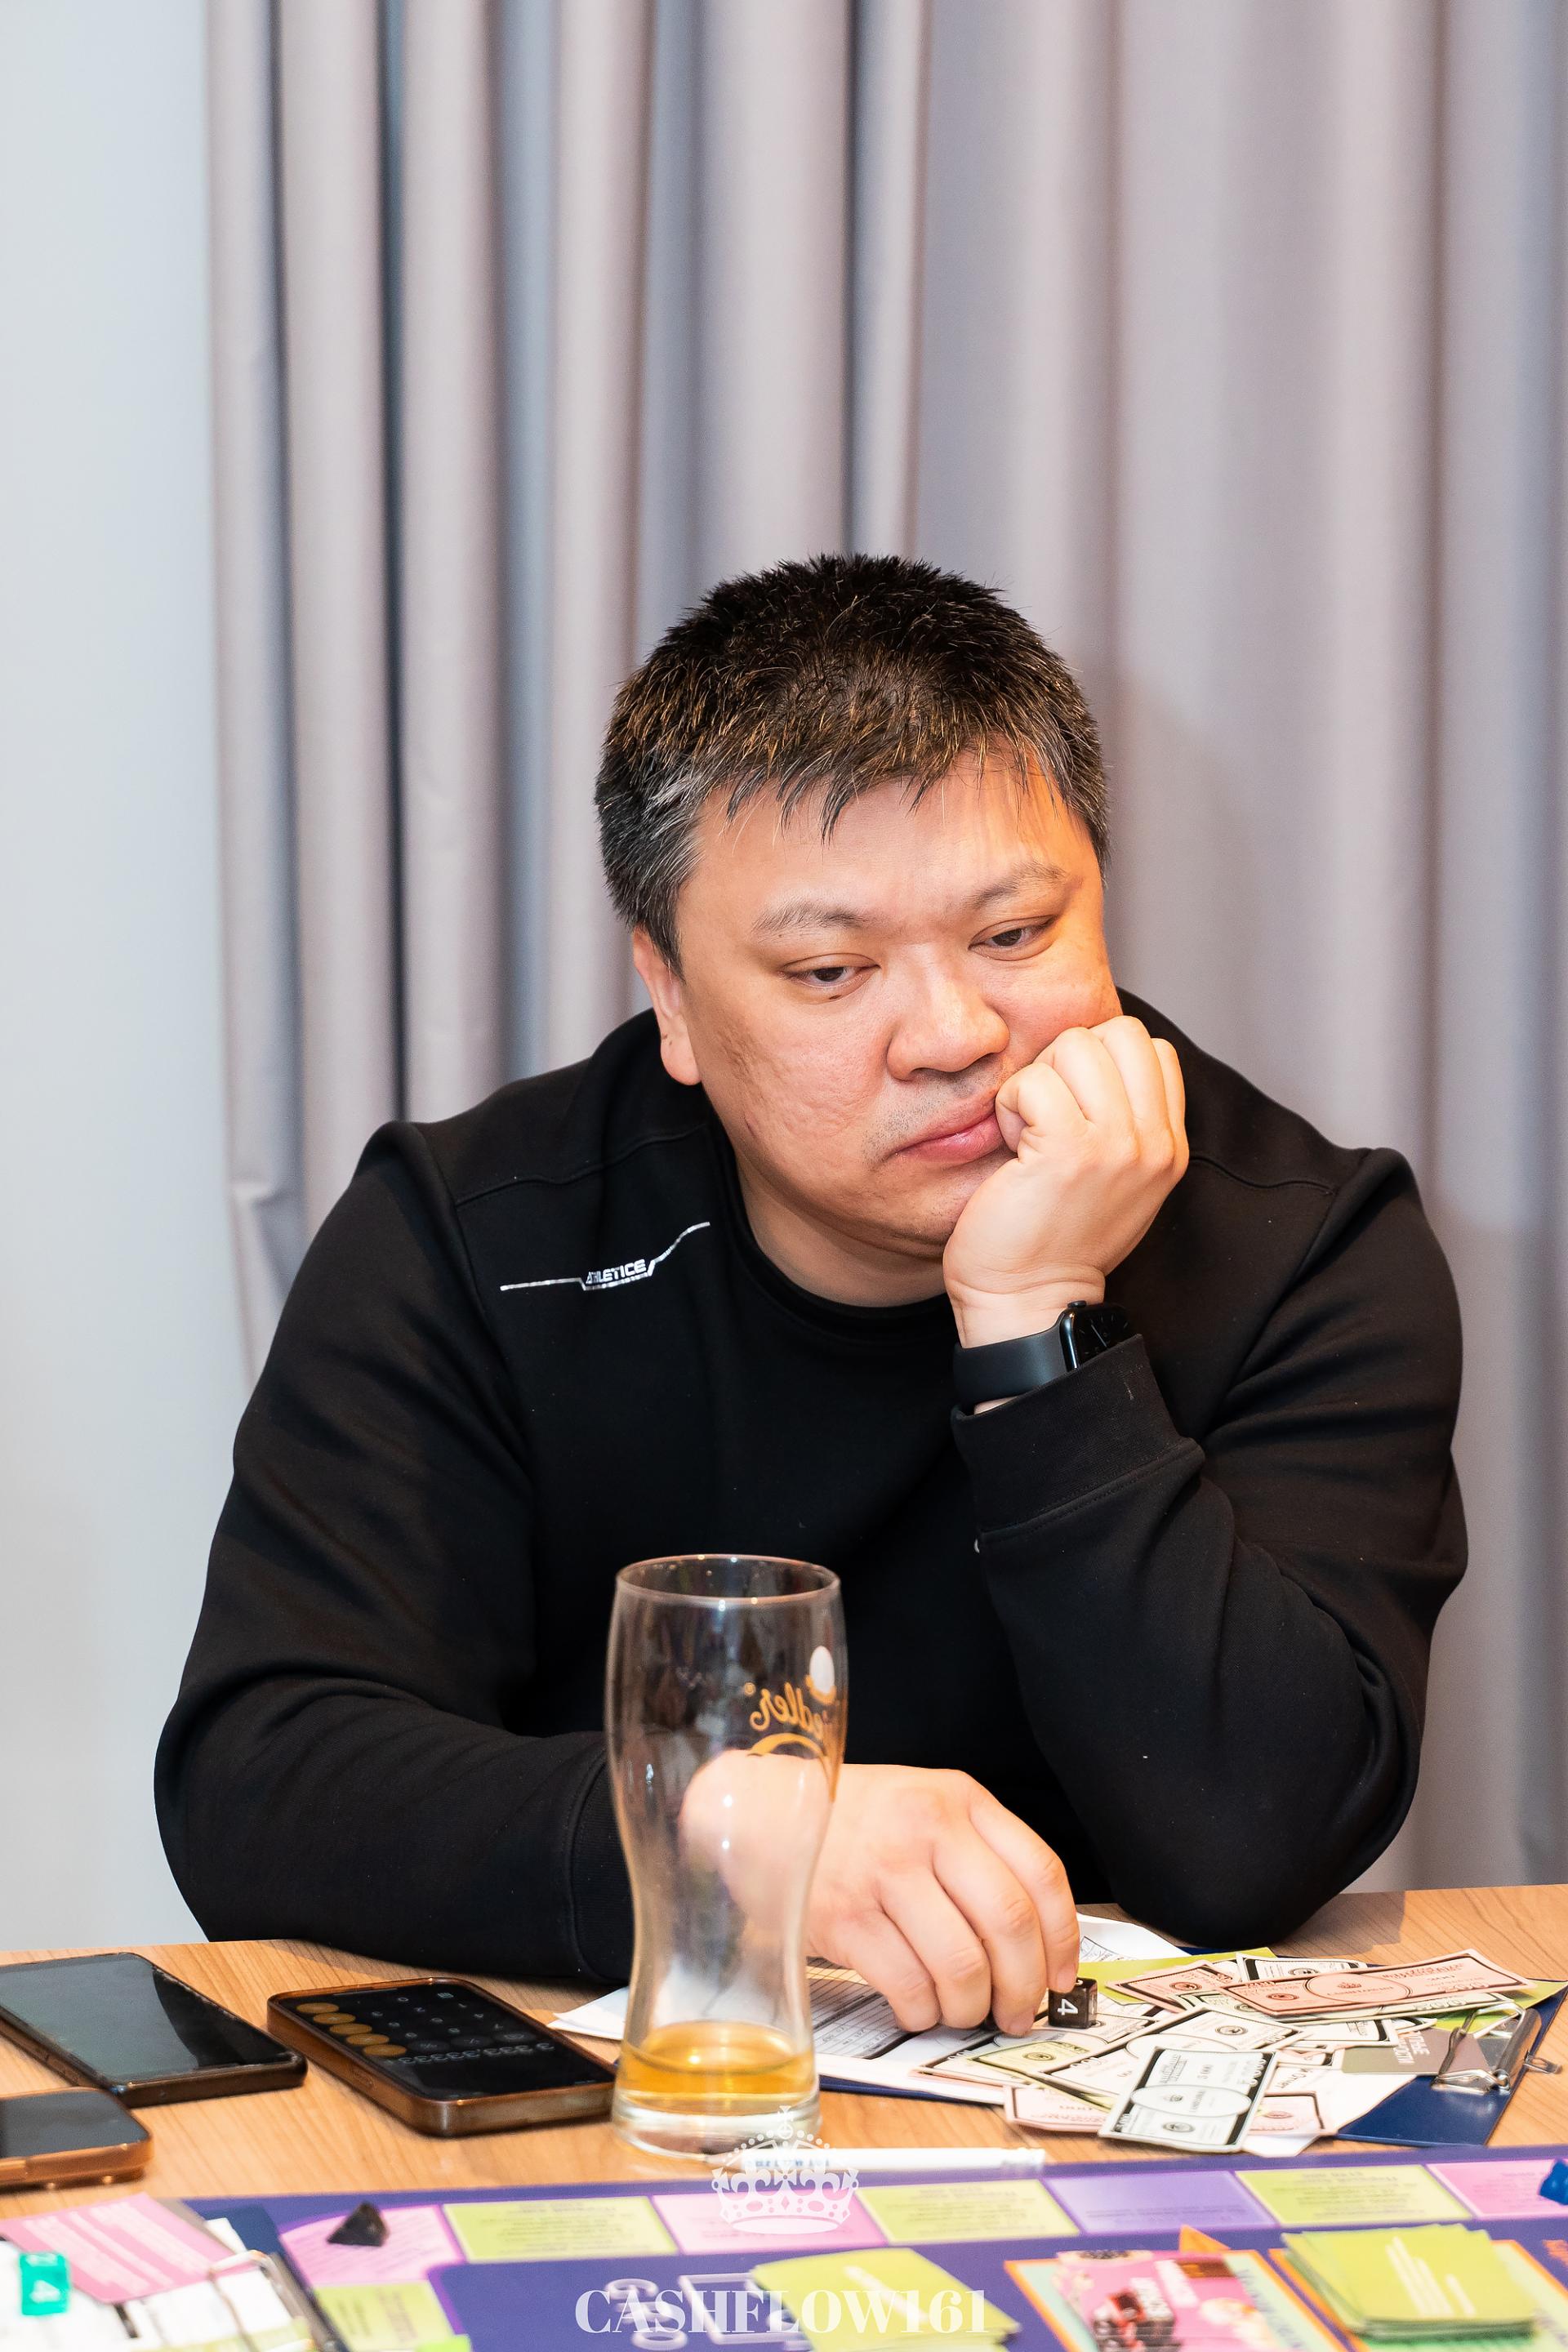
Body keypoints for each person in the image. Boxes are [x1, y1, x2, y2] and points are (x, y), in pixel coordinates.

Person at [156, 555, 1464, 2039]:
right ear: (671, 993)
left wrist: (1036, 1320)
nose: (953, 1034)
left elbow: (1255, 1843)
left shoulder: (1303, 1244)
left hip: (1103, 2116)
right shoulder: (477, 1236)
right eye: (835, 970)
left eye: (1016, 935)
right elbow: (262, 1781)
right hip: (633, 2093)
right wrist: (736, 1835)